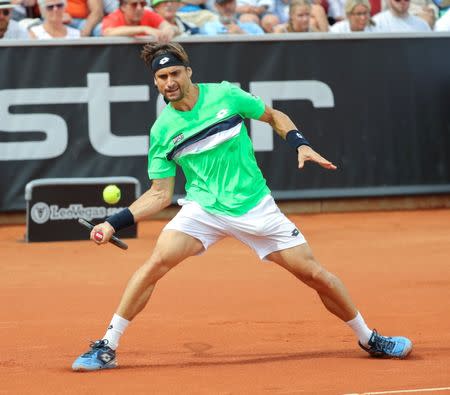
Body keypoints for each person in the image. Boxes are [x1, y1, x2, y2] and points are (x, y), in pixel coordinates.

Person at [71, 42, 413, 371]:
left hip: (255, 207)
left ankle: (369, 339)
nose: (170, 83)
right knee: (155, 263)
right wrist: (114, 222)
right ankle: (108, 346)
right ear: (155, 82)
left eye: (175, 73)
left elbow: (273, 115)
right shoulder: (162, 131)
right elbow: (160, 194)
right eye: (162, 78)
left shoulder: (225, 95)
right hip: (203, 210)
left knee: (315, 275)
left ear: (188, 72)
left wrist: (300, 143)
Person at [102, 0, 176, 39]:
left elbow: (168, 27)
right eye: (134, 4)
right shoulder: (114, 17)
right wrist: (144, 29)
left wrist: (169, 29)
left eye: (142, 4)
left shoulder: (148, 14)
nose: (139, 8)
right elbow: (108, 33)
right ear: (123, 7)